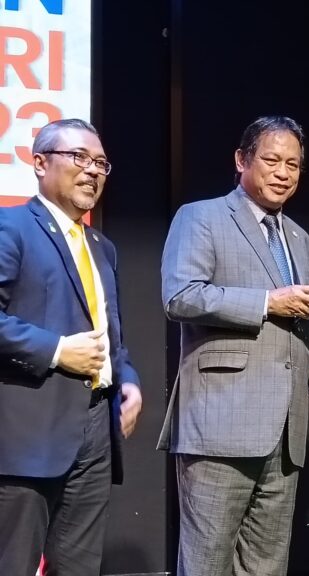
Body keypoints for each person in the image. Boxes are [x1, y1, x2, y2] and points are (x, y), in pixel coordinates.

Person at [158, 115, 309, 576]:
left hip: (284, 432)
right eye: (271, 160)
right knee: (207, 563)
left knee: (267, 566)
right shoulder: (201, 217)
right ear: (241, 160)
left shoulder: (301, 240)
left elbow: (296, 326)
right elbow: (180, 296)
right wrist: (267, 301)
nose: (283, 173)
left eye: (293, 165)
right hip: (220, 423)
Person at [0, 118, 143, 576]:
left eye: (100, 162)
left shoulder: (102, 246)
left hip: (96, 430)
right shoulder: (10, 227)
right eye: (79, 157)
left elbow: (111, 335)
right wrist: (58, 350)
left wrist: (128, 380)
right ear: (40, 163)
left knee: (78, 566)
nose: (93, 170)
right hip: (27, 436)